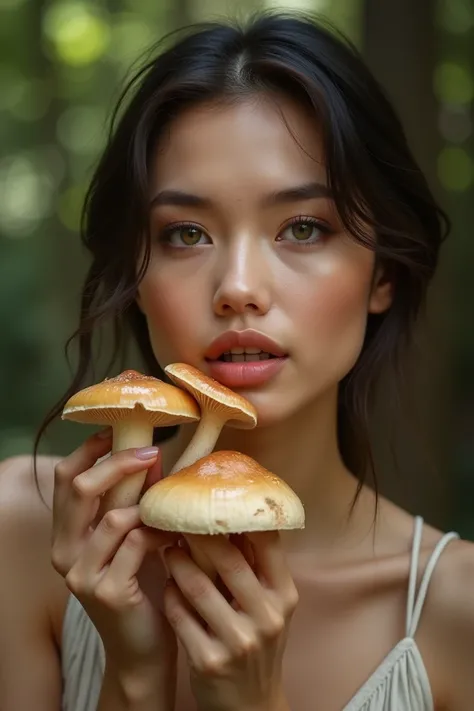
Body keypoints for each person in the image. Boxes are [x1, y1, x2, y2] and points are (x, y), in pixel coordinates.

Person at [0, 9, 472, 711]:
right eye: (186, 233)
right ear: (138, 273)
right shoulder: (22, 536)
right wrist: (133, 679)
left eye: (303, 227)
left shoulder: (455, 614)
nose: (239, 288)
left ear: (383, 276)